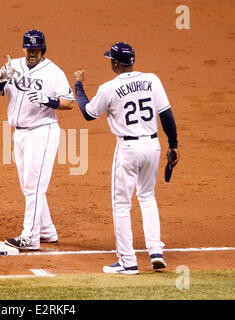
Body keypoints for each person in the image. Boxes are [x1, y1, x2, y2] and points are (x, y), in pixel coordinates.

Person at [73, 42, 179, 274]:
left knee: (121, 204)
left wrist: (78, 86)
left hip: (128, 150)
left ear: (115, 63)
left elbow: (88, 113)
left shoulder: (108, 88)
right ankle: (155, 251)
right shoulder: (153, 79)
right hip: (153, 146)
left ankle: (127, 261)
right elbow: (166, 115)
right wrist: (174, 145)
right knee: (148, 197)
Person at [0, 29, 74, 250]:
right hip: (20, 133)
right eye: (28, 49)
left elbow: (69, 102)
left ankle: (30, 238)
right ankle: (47, 231)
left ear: (43, 49)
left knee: (35, 186)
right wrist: (1, 79)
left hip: (42, 131)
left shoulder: (54, 72)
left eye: (36, 49)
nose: (32, 53)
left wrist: (48, 100)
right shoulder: (13, 66)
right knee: (29, 186)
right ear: (24, 48)